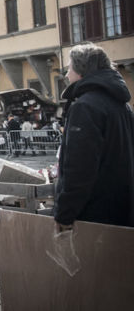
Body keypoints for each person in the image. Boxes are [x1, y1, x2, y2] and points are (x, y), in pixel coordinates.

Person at [55, 43, 134, 231]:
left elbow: (79, 168)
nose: (66, 75)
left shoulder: (85, 107)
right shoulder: (123, 106)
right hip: (124, 210)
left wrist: (65, 213)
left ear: (81, 71)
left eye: (69, 68)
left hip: (94, 215)